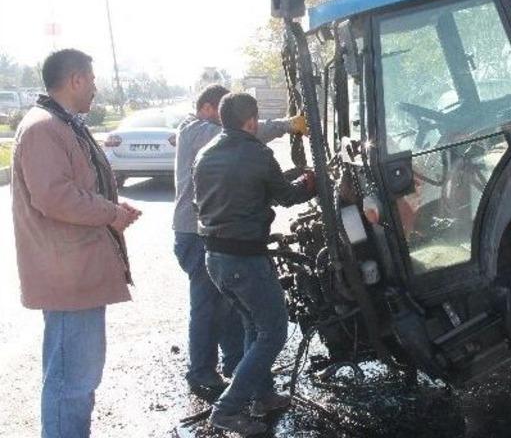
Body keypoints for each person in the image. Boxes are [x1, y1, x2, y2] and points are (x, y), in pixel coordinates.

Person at [11, 48, 142, 438]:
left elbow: (75, 188)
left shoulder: (61, 124)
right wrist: (110, 213)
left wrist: (110, 206)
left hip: (76, 275)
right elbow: (54, 198)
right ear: (76, 80)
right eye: (94, 80)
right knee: (71, 382)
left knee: (77, 378)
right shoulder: (43, 128)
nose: (96, 89)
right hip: (67, 279)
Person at [172, 84, 306, 396]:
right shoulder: (199, 132)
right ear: (207, 108)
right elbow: (245, 135)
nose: (223, 117)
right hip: (197, 234)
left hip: (210, 234)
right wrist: (287, 125)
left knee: (234, 309)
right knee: (208, 307)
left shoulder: (212, 139)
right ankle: (203, 372)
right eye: (220, 110)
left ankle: (239, 368)